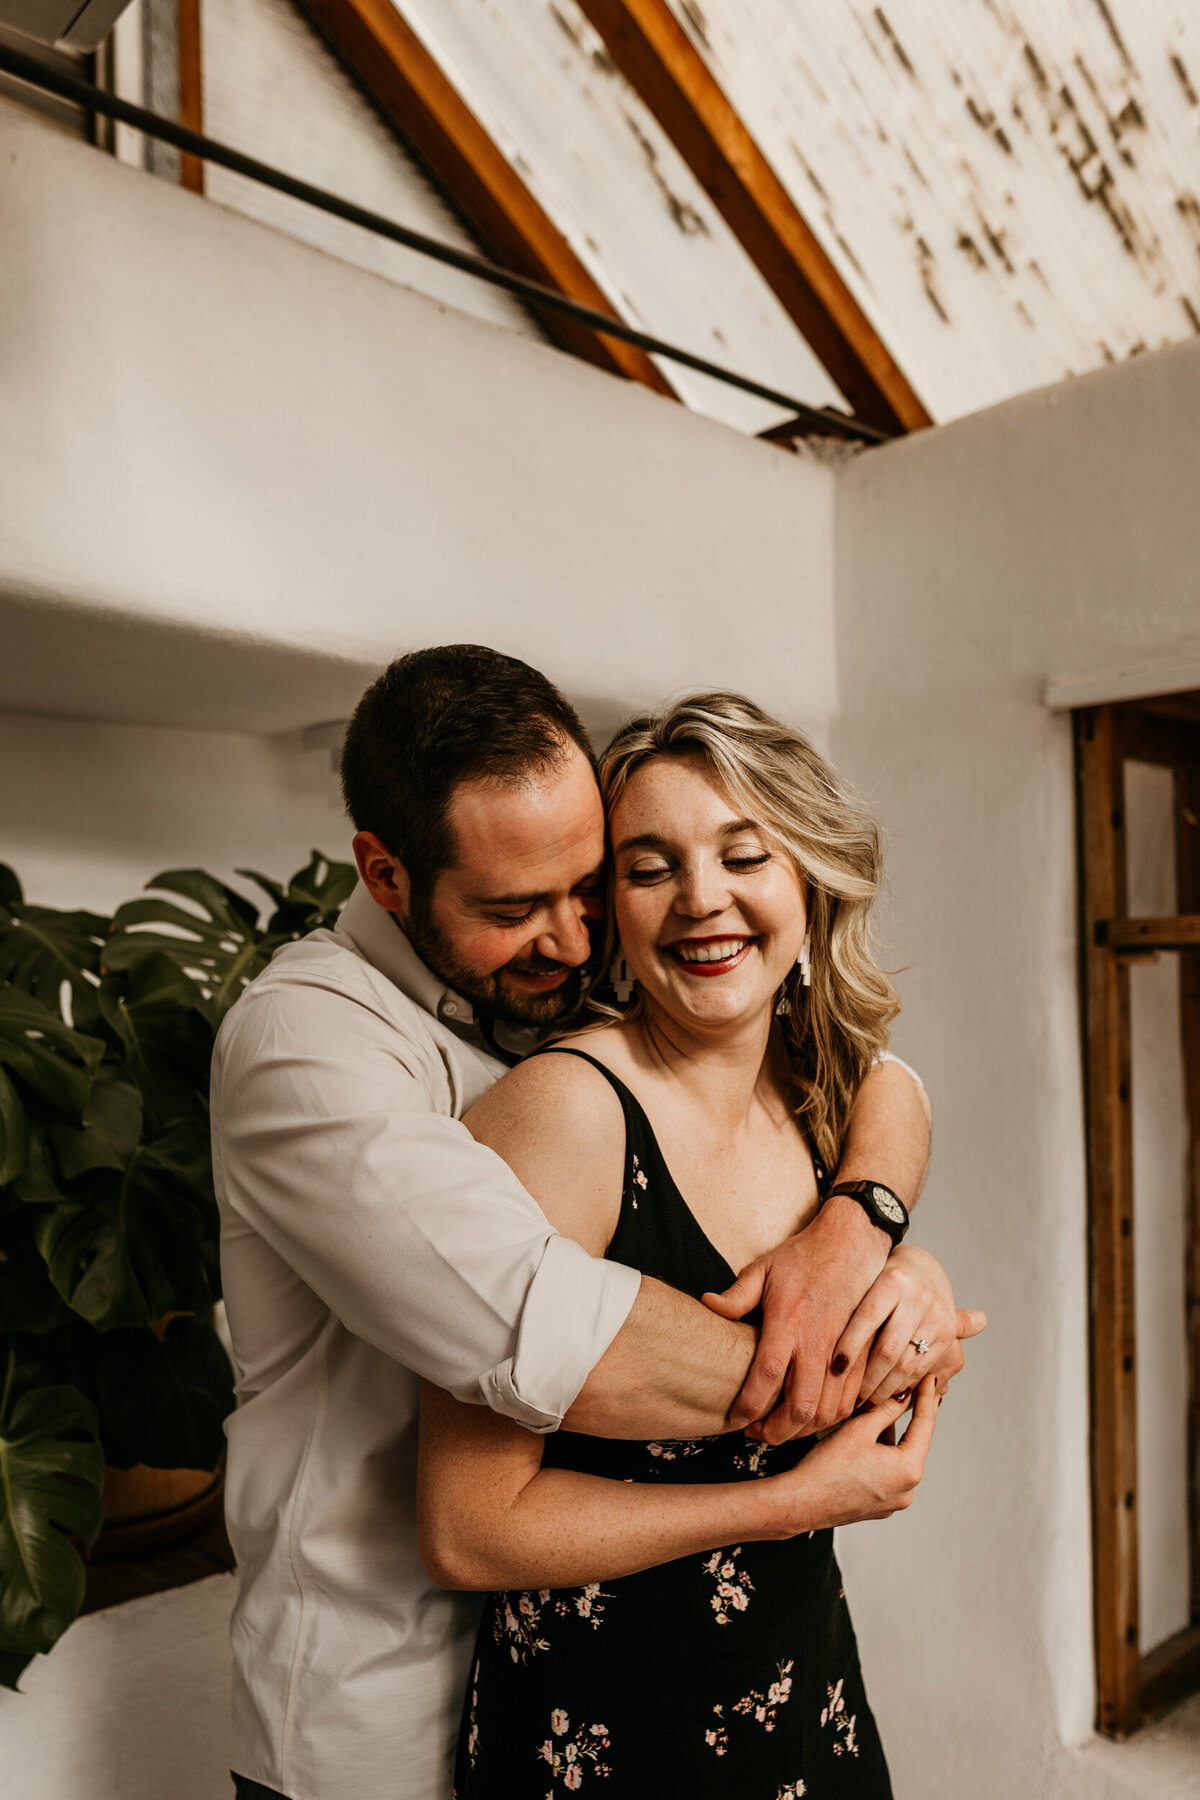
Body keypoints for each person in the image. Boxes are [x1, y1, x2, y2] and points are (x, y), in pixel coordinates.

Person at [212, 648, 975, 1800]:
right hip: (377, 1706)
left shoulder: (543, 1000)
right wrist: (859, 1369)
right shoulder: (312, 1049)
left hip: (759, 1688)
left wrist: (868, 1232)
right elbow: (549, 1327)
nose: (572, 941)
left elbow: (871, 1067)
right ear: (386, 873)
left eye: (585, 888)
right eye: (518, 908)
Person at [420, 691, 967, 1798]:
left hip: (806, 1703)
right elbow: (470, 1528)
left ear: (807, 885)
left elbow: (893, 1093)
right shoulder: (566, 1115)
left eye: (745, 853)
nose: (702, 899)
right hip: (604, 1731)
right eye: (650, 866)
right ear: (609, 909)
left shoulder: (824, 1104)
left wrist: (906, 1277)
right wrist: (796, 1503)